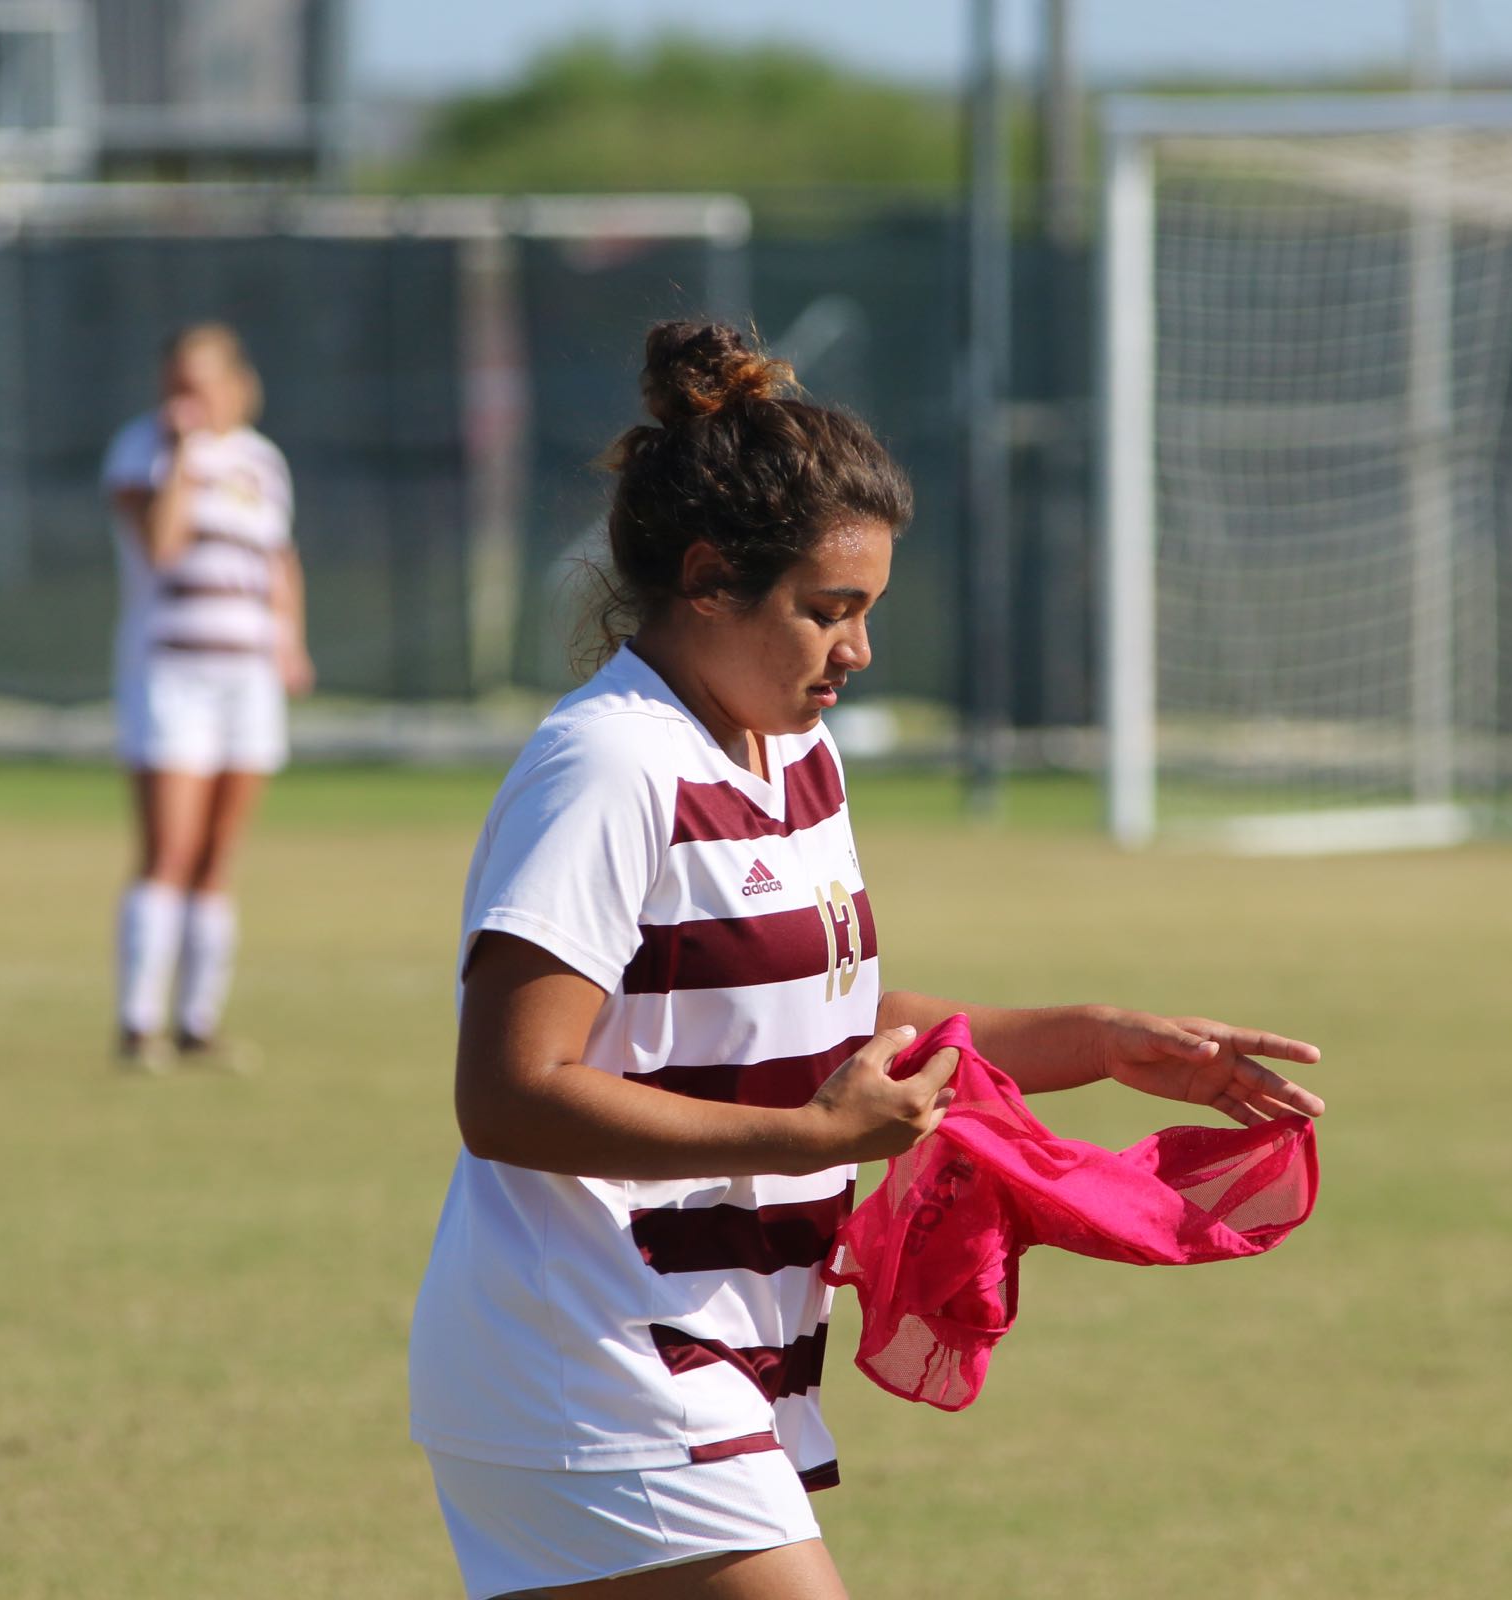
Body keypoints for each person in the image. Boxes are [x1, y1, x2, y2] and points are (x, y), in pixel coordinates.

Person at [407, 321, 1325, 1600]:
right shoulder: (609, 766)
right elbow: (507, 1092)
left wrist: (1102, 1041)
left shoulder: (794, 756)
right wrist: (806, 1137)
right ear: (710, 577)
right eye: (827, 612)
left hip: (713, 1347)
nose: (859, 652)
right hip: (596, 1351)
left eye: (870, 612)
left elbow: (825, 1020)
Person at [101, 323, 313, 1072]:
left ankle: (197, 1022)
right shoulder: (145, 450)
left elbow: (278, 559)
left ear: (234, 384)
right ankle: (137, 1024)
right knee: (171, 847)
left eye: (200, 382)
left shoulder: (261, 459)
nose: (185, 397)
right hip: (171, 673)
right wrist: (187, 459)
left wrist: (289, 640)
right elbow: (159, 547)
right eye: (176, 383)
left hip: (245, 676)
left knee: (219, 855)